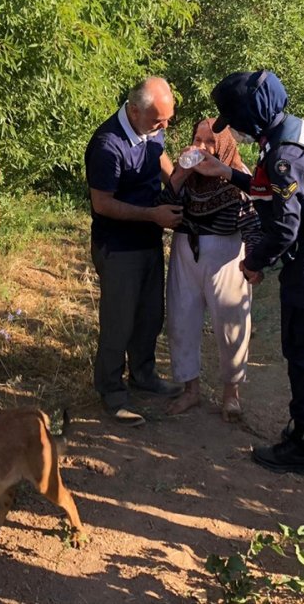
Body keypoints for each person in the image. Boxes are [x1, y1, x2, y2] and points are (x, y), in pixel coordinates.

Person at [196, 70, 304, 475]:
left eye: (233, 119)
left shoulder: (284, 154)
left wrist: (252, 263)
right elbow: (276, 192)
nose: (233, 129)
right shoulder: (291, 130)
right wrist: (230, 173)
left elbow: (285, 226)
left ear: (252, 115)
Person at [85, 77, 184, 427]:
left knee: (149, 314)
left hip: (148, 239)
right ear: (135, 110)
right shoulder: (107, 145)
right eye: (159, 120)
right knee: (118, 321)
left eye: (167, 119)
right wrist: (152, 215)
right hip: (119, 246)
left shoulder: (151, 126)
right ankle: (112, 392)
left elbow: (159, 156)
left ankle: (143, 375)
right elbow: (103, 204)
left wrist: (179, 179)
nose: (164, 126)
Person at [163, 118, 261, 421]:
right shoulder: (187, 177)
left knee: (231, 325)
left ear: (224, 145)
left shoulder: (238, 176)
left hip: (226, 255)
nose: (202, 148)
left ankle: (231, 393)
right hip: (186, 250)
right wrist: (179, 175)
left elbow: (253, 222)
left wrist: (254, 263)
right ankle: (190, 389)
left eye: (210, 142)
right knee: (181, 320)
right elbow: (165, 206)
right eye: (198, 140)